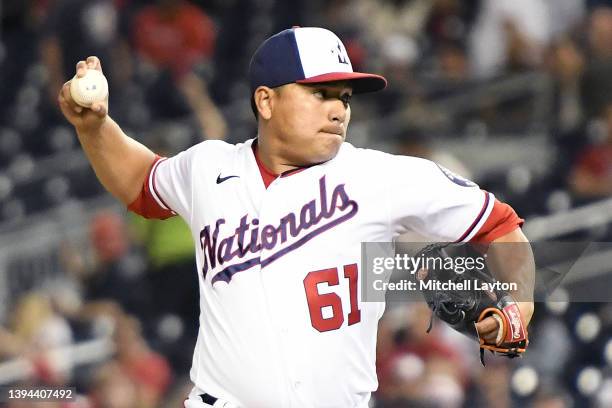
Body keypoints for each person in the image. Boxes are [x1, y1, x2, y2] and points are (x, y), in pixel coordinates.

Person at [58, 27, 535, 408]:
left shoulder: (380, 176)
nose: (338, 111)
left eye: (344, 98)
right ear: (265, 101)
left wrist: (520, 309)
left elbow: (501, 224)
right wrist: (96, 127)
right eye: (319, 93)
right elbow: (141, 183)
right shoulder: (208, 168)